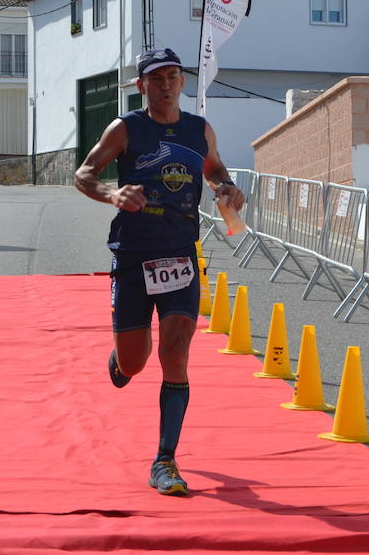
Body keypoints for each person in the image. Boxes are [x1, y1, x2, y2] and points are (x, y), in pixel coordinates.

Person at [74, 47, 245, 497]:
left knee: (175, 351)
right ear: (141, 86)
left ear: (182, 82)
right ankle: (121, 360)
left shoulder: (198, 129)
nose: (166, 84)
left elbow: (214, 168)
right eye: (156, 77)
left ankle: (165, 460)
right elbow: (84, 173)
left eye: (173, 75)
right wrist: (111, 193)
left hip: (180, 255)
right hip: (132, 255)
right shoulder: (126, 128)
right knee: (135, 360)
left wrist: (225, 186)